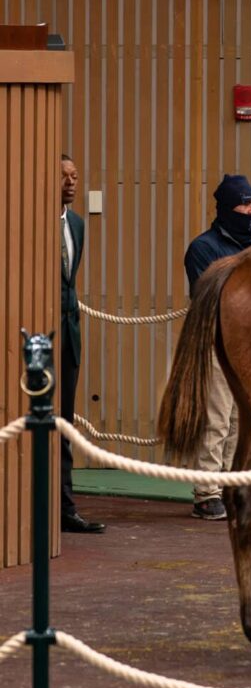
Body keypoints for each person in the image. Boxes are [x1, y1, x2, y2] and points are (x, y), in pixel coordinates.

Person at [183, 173, 251, 520]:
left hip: (247, 346)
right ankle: (206, 492)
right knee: (215, 418)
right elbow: (207, 298)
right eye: (243, 203)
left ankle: (228, 486)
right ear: (227, 207)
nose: (250, 210)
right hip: (214, 342)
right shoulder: (203, 248)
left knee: (239, 420)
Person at [60, 154, 105, 533]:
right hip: (39, 336)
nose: (72, 183)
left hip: (70, 333)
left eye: (75, 176)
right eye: (64, 176)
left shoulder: (75, 223)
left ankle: (65, 507)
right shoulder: (34, 222)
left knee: (66, 422)